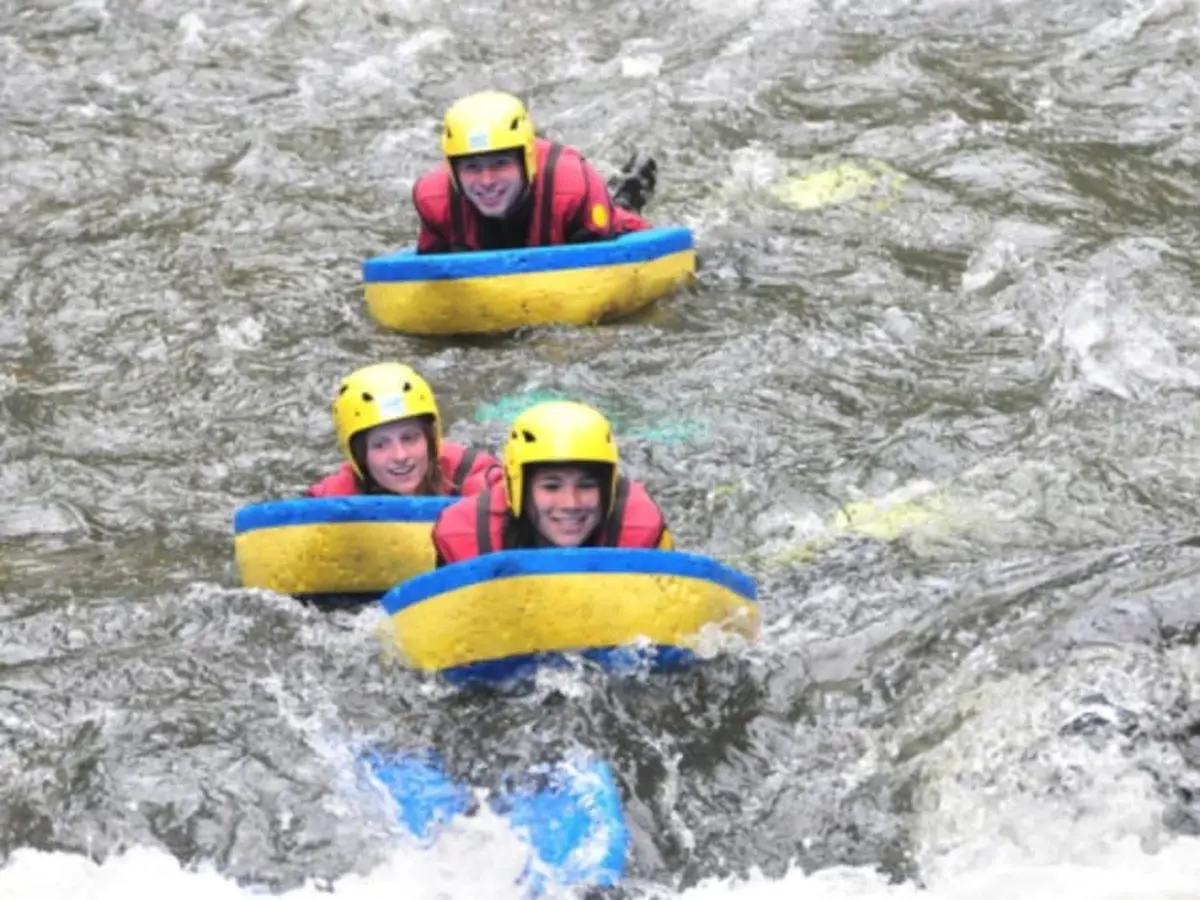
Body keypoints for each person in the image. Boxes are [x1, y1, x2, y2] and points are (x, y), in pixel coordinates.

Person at [412, 90, 659, 254]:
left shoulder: (572, 185)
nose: (486, 181)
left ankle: (630, 189)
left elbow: (604, 269)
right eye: (471, 167)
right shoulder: (433, 199)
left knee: (621, 211)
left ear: (526, 160)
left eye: (500, 164)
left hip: (592, 227)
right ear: (453, 170)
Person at [431, 400, 674, 566]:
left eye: (586, 485)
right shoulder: (466, 535)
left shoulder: (641, 532)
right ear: (519, 490)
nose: (571, 503)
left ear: (607, 488)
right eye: (551, 486)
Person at [307, 362, 500, 498]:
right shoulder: (336, 498)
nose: (400, 456)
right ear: (360, 456)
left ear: (430, 440)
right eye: (380, 445)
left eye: (409, 438)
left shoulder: (472, 476)